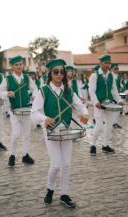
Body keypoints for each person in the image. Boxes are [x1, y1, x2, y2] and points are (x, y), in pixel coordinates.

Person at [31, 59, 89, 208]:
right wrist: (44, 118)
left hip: (66, 130)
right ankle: (50, 189)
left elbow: (81, 106)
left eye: (61, 72)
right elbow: (34, 112)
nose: (59, 74)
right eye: (56, 72)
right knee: (56, 164)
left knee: (66, 164)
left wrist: (84, 114)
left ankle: (64, 194)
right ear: (50, 73)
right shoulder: (43, 91)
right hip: (51, 131)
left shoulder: (69, 91)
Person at [0, 55, 36, 166]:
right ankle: (12, 156)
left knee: (27, 134)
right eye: (16, 65)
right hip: (15, 112)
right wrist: (6, 93)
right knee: (16, 134)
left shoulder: (27, 78)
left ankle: (25, 155)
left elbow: (35, 89)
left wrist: (34, 95)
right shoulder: (7, 79)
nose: (19, 66)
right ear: (12, 67)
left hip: (27, 111)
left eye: (20, 64)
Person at [88, 54, 122, 155]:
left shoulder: (111, 75)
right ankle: (93, 145)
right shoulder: (95, 75)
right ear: (101, 63)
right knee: (98, 125)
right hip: (99, 104)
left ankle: (105, 145)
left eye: (109, 63)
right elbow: (92, 91)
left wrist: (119, 100)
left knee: (109, 125)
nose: (108, 65)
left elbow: (114, 89)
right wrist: (96, 102)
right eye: (105, 63)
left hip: (109, 103)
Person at [111, 63, 123, 128]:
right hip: (112, 95)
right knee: (113, 109)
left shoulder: (118, 76)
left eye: (117, 69)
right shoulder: (110, 75)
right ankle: (112, 123)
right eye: (115, 69)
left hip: (118, 94)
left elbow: (120, 84)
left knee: (118, 109)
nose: (117, 70)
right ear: (112, 69)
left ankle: (115, 123)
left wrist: (121, 87)